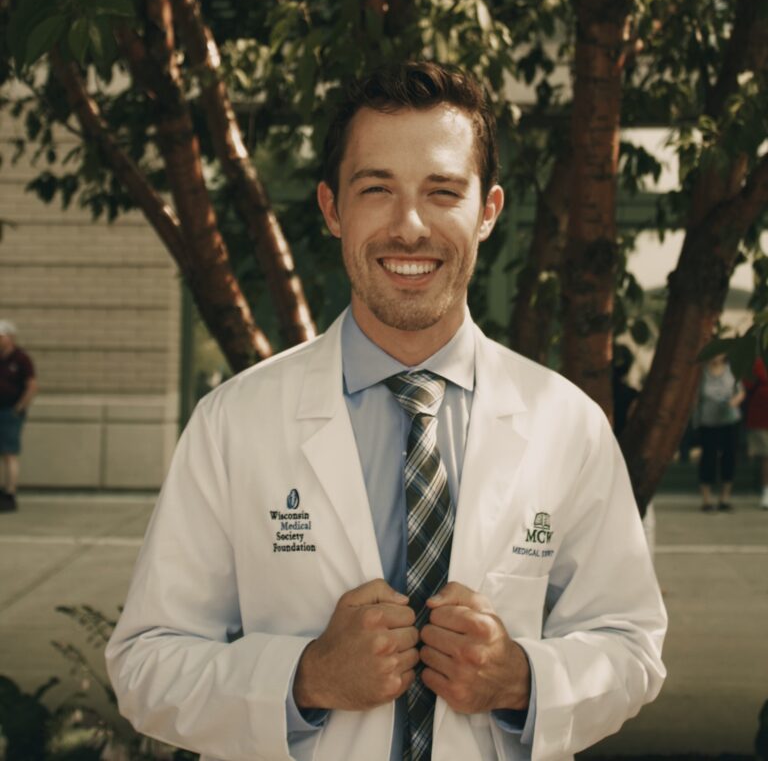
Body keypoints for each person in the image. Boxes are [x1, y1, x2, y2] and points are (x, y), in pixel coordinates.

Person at [106, 62, 667, 761]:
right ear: (333, 208)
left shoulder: (568, 426)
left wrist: (523, 678)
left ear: (487, 211)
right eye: (377, 190)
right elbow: (145, 663)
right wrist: (304, 678)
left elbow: (631, 644)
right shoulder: (233, 423)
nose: (410, 227)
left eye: (442, 191)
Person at [695, 353, 744, 512]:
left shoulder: (731, 370)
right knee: (708, 457)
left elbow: (741, 391)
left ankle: (724, 498)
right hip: (708, 421)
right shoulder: (701, 373)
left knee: (728, 457)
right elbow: (696, 397)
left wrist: (733, 402)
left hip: (729, 420)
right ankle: (707, 499)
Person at [0, 319, 37, 513]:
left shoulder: (21, 358)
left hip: (10, 411)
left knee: (9, 452)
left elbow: (31, 384)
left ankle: (10, 492)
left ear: (10, 337)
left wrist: (19, 407)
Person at [743, 357, 768, 510]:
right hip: (761, 418)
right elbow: (747, 385)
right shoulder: (758, 363)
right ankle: (766, 491)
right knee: (766, 456)